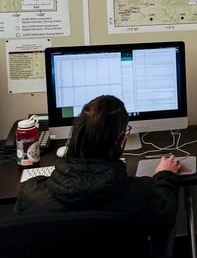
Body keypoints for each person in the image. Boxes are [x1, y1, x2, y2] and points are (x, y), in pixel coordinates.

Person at [13, 95, 181, 253]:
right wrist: (165, 176)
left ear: (75, 137)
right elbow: (166, 216)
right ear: (121, 142)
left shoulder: (31, 193)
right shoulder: (140, 193)